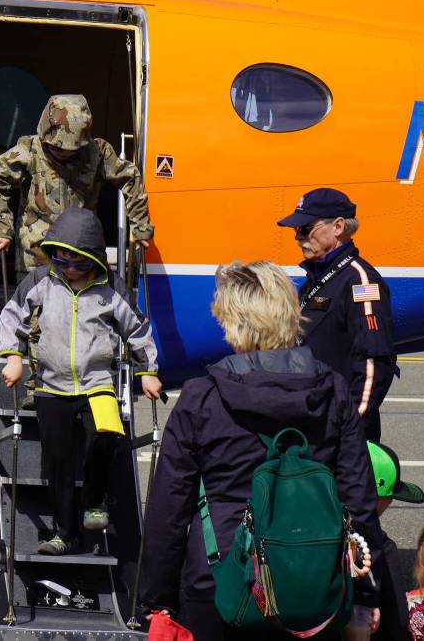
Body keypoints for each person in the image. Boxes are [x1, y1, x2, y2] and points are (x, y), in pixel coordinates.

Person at [140, 261, 384, 641]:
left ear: (231, 322)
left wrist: (158, 600)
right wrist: (366, 589)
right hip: (313, 578)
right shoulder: (333, 390)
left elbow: (168, 507)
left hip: (221, 578)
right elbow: (358, 497)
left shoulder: (202, 397)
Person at [0, 207, 161, 555]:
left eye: (80, 264)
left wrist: (148, 373)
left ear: (95, 261)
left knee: (105, 436)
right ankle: (65, 533)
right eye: (63, 260)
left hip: (97, 382)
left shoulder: (111, 288)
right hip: (51, 387)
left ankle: (94, 501)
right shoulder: (43, 279)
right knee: (57, 461)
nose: (70, 270)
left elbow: (138, 330)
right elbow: (13, 315)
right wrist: (13, 355)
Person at [0, 94, 155, 408]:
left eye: (72, 149)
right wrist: (1, 227)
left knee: (87, 316)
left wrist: (139, 225)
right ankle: (39, 390)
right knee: (36, 317)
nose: (64, 154)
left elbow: (129, 179)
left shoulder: (98, 153)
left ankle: (89, 384)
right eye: (59, 148)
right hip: (39, 251)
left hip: (83, 252)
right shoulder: (28, 150)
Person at [277, 188, 397, 442]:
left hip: (340, 435)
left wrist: (350, 428)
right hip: (310, 425)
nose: (298, 237)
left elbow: (374, 364)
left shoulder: (360, 282)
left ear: (338, 226)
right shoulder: (315, 280)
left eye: (305, 228)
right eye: (295, 230)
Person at [345, 442, 424, 641]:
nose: (391, 502)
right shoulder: (381, 547)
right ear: (372, 496)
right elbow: (397, 620)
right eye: (389, 496)